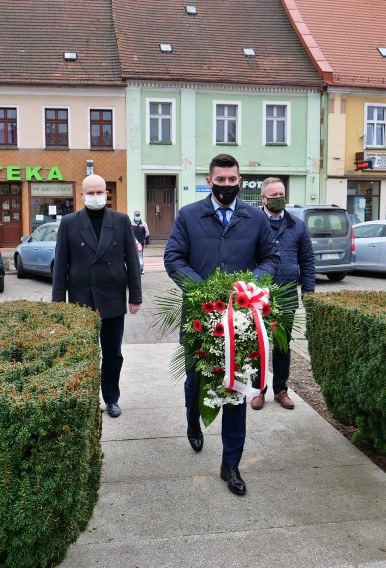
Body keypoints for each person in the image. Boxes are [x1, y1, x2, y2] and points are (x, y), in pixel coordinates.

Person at [164, 153, 279, 496]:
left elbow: (271, 258)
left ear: (239, 181)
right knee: (195, 380)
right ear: (209, 179)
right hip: (200, 317)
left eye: (233, 180)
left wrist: (250, 286)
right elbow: (173, 257)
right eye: (221, 180)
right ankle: (192, 422)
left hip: (242, 319)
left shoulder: (255, 219)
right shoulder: (188, 216)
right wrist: (202, 291)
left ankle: (230, 463)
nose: (227, 185)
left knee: (236, 389)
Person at [51, 174, 143, 418]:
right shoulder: (70, 223)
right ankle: (87, 398)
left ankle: (111, 398)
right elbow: (60, 266)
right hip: (81, 302)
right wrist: (58, 304)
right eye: (90, 193)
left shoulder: (121, 221)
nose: (95, 196)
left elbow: (131, 262)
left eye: (99, 192)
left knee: (113, 354)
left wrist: (135, 296)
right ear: (82, 195)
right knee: (85, 353)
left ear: (106, 193)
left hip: (112, 301)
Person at [250, 177, 315, 411]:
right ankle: (257, 390)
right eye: (273, 195)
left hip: (287, 296)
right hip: (258, 297)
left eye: (281, 194)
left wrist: (309, 291)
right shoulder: (253, 223)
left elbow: (307, 259)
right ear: (263, 198)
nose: (279, 199)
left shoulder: (297, 225)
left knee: (282, 345)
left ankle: (280, 389)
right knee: (257, 345)